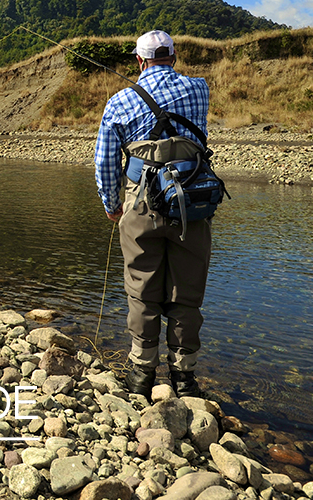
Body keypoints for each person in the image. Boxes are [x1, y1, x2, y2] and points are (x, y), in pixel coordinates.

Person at [94, 30, 212, 398]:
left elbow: (105, 162)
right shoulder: (200, 89)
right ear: (174, 57)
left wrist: (113, 206)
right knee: (187, 292)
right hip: (191, 202)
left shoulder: (120, 101)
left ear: (139, 61)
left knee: (143, 289)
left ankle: (142, 375)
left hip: (142, 202)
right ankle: (185, 378)